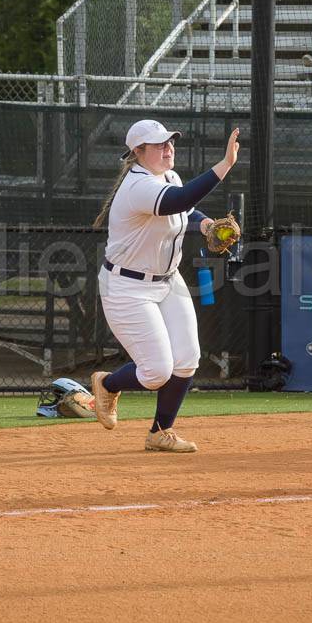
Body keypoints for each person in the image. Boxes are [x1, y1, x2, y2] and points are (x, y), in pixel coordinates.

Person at [89, 120, 241, 453]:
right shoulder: (137, 187)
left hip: (167, 281)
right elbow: (179, 199)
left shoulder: (167, 177)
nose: (168, 147)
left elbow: (184, 208)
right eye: (159, 144)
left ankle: (160, 432)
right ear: (138, 152)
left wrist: (204, 224)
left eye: (170, 141)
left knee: (187, 359)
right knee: (157, 371)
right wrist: (225, 165)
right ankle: (107, 383)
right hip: (127, 287)